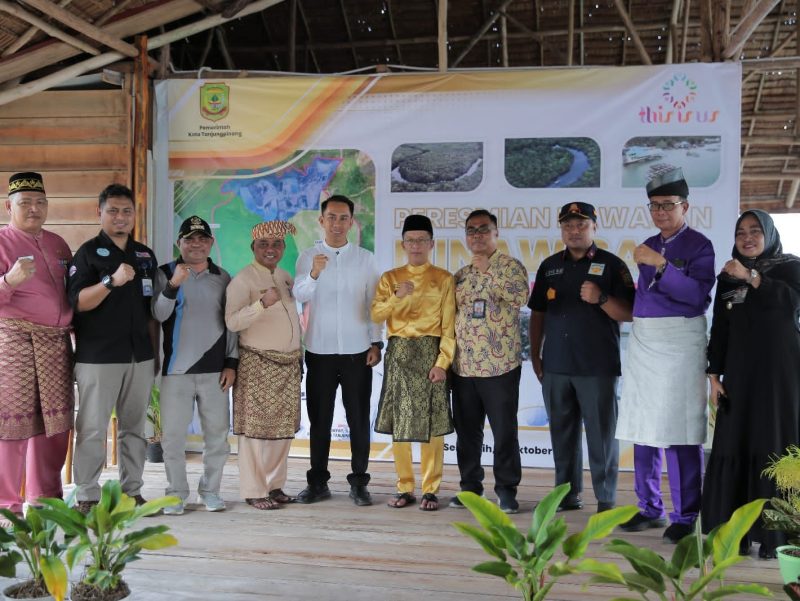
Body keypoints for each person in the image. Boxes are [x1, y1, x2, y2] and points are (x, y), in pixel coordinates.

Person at [616, 167, 716, 544]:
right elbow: (647, 297)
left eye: (668, 205)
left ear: (685, 206)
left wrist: (661, 265)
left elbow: (696, 297)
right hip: (645, 339)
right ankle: (649, 507)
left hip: (680, 342)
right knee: (643, 427)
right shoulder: (646, 242)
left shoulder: (700, 246)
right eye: (655, 205)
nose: (660, 212)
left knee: (680, 430)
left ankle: (686, 513)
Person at [702, 210, 800, 559]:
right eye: (741, 231)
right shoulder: (729, 278)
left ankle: (778, 535)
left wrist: (753, 276)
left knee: (775, 440)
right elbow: (721, 330)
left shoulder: (791, 267)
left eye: (755, 231)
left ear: (768, 234)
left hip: (781, 375)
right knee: (736, 440)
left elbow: (793, 303)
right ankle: (736, 532)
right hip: (740, 375)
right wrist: (714, 376)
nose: (747, 237)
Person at [529, 202, 634, 513]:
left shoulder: (613, 265)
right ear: (561, 229)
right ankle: (567, 494)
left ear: (594, 227)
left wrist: (600, 298)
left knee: (602, 436)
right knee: (562, 434)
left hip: (597, 366)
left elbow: (630, 313)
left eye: (581, 225)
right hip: (557, 365)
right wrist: (535, 355)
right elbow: (538, 313)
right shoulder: (549, 266)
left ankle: (605, 498)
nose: (574, 231)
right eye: (568, 225)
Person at [68, 184, 159, 513]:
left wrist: (155, 353)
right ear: (100, 213)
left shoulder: (145, 255)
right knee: (92, 428)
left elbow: (151, 312)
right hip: (99, 357)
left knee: (135, 429)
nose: (120, 217)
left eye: (126, 211)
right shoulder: (88, 253)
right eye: (113, 211)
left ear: (134, 215)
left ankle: (132, 492)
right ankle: (87, 496)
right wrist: (110, 282)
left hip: (140, 356)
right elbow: (78, 302)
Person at [293, 195, 382, 506]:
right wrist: (315, 273)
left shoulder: (366, 258)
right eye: (331, 217)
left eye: (344, 217)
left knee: (358, 419)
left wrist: (376, 341)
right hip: (319, 351)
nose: (337, 223)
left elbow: (374, 303)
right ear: (321, 220)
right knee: (320, 420)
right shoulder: (308, 256)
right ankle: (317, 482)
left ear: (351, 222)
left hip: (359, 351)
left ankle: (359, 482)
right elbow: (299, 294)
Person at [0, 172, 74, 526]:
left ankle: (46, 500)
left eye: (40, 202)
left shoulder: (59, 244)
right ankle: (7, 508)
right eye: (25, 203)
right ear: (8, 207)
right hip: (13, 342)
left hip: (57, 344)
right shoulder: (1, 241)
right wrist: (9, 281)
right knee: (11, 427)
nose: (33, 209)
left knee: (55, 425)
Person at [152, 216, 238, 515]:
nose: (196, 244)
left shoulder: (223, 277)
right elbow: (160, 314)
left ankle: (210, 491)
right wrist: (174, 285)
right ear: (180, 243)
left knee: (217, 436)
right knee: (173, 438)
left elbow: (231, 325)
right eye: (189, 239)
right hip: (175, 372)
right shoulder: (164, 273)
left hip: (214, 371)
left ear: (211, 243)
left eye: (202, 238)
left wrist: (231, 362)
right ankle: (176, 493)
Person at [371, 214, 455, 511]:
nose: (416, 245)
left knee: (431, 426)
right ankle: (404, 486)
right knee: (401, 424)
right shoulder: (391, 278)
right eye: (411, 240)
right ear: (403, 243)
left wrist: (442, 363)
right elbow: (377, 315)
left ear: (431, 243)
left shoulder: (444, 278)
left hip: (430, 353)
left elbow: (449, 327)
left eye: (421, 240)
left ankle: (431, 489)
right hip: (400, 354)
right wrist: (397, 297)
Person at [451, 209, 528, 514]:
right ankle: (470, 488)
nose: (478, 235)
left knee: (504, 431)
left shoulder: (510, 266)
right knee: (468, 433)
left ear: (496, 233)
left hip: (501, 367)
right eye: (472, 230)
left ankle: (507, 490)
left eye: (484, 229)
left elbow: (520, 297)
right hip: (465, 367)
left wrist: (489, 272)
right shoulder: (461, 275)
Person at [225, 221, 301, 510]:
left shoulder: (284, 276)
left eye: (276, 244)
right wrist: (260, 305)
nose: (270, 249)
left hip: (288, 364)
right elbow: (231, 322)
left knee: (282, 430)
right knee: (255, 432)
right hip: (257, 363)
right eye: (264, 244)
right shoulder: (243, 280)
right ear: (253, 248)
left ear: (283, 248)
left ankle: (274, 485)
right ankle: (255, 489)